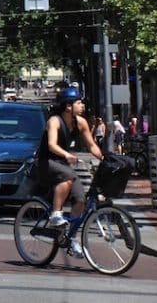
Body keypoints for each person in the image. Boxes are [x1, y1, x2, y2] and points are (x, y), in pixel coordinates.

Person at [36, 87, 104, 258]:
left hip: (62, 163)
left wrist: (103, 158)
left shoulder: (80, 122)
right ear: (68, 106)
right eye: (79, 102)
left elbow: (91, 145)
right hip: (46, 162)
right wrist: (67, 154)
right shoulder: (54, 121)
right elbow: (51, 144)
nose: (82, 105)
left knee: (81, 199)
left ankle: (70, 239)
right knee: (68, 177)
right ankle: (56, 214)